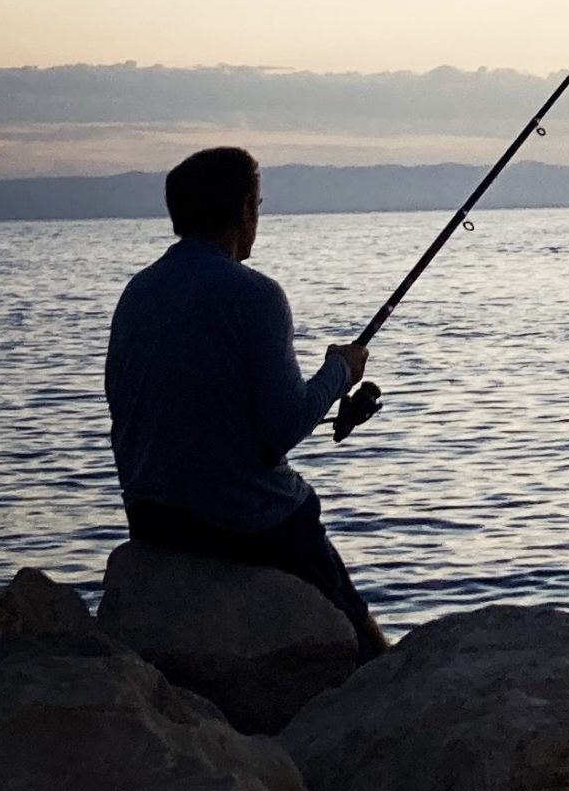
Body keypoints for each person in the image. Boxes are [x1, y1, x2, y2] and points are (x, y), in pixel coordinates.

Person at [105, 145, 384, 655]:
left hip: (150, 516)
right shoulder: (256, 295)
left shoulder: (137, 292)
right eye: (258, 203)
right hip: (234, 520)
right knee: (307, 526)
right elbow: (283, 428)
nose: (259, 215)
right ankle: (375, 663)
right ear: (241, 211)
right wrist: (340, 371)